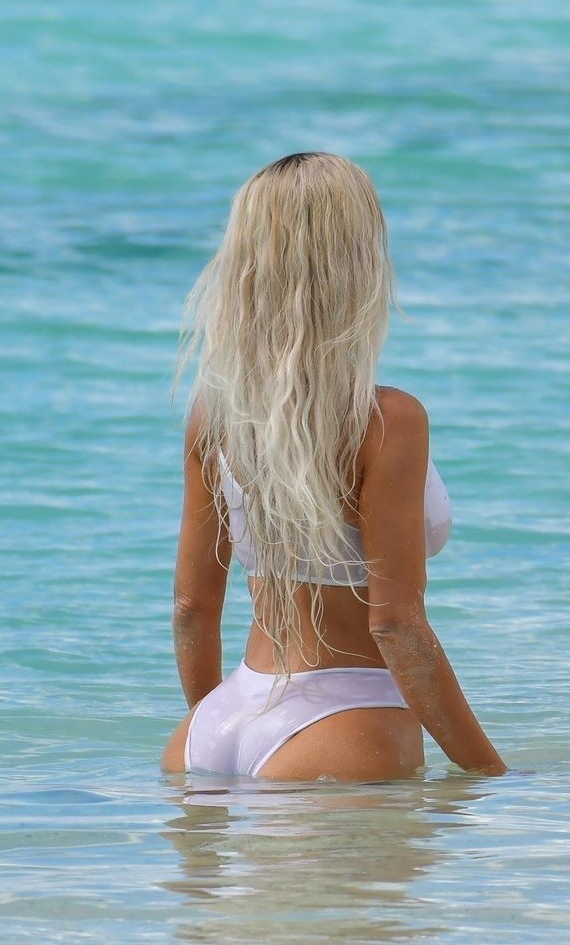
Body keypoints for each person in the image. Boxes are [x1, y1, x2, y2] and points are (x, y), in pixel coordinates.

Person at [161, 152, 506, 779]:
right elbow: (396, 626)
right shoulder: (387, 422)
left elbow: (191, 607)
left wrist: (212, 727)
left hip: (218, 722)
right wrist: (493, 778)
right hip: (345, 721)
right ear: (358, 263)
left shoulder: (215, 416)